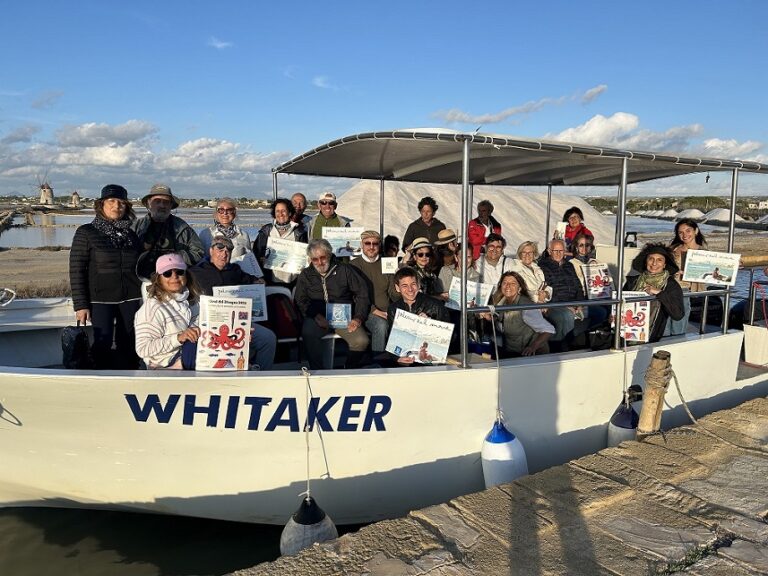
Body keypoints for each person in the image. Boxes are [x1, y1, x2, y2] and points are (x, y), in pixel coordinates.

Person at [69, 184, 142, 369]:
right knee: (102, 342)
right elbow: (76, 269)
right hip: (100, 299)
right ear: (101, 205)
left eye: (121, 202)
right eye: (111, 201)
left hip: (131, 298)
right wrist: (81, 304)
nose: (116, 206)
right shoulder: (86, 232)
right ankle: (99, 380)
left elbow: (141, 266)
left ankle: (129, 378)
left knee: (130, 343)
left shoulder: (131, 235)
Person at [188, 236, 277, 370]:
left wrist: (258, 282)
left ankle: (260, 374)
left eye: (229, 250)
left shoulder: (235, 270)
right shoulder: (195, 272)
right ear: (211, 251)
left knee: (268, 338)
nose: (224, 253)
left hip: (236, 322)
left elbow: (252, 281)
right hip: (208, 324)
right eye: (220, 249)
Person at [294, 239, 370, 369]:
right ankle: (318, 372)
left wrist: (358, 317)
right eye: (315, 259)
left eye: (322, 258)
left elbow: (362, 293)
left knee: (361, 341)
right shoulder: (306, 275)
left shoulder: (345, 270)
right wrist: (316, 316)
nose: (319, 262)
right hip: (318, 317)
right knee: (308, 333)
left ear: (329, 254)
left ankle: (349, 368)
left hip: (343, 317)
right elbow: (300, 299)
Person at [134, 253, 201, 370]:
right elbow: (143, 348)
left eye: (179, 272)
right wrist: (179, 338)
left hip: (196, 357)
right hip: (166, 365)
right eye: (167, 273)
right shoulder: (152, 308)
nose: (174, 276)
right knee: (192, 346)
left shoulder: (197, 301)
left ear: (186, 275)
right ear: (158, 279)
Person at [133, 183, 204, 278]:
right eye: (157, 201)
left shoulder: (183, 227)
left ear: (171, 205)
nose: (162, 205)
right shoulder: (136, 227)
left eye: (166, 202)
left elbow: (198, 252)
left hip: (174, 280)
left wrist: (174, 258)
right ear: (149, 203)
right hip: (142, 279)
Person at [387, 267, 451, 365]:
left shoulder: (435, 305)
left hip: (432, 361)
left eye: (413, 284)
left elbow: (451, 337)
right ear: (397, 288)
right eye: (404, 285)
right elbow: (392, 340)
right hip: (406, 360)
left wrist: (431, 324)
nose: (410, 289)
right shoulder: (393, 309)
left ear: (418, 285)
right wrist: (397, 358)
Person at [623, 243, 685, 343]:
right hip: (624, 334)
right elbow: (620, 303)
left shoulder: (671, 285)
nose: (654, 263)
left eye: (659, 260)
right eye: (651, 259)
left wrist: (660, 293)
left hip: (651, 338)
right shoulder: (632, 281)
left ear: (665, 264)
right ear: (645, 261)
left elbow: (678, 314)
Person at [485, 271, 555, 357]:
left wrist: (532, 348)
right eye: (505, 283)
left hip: (531, 356)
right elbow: (501, 321)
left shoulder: (526, 307)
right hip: (511, 351)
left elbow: (549, 330)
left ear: (520, 288)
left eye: (513, 283)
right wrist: (488, 317)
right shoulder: (501, 301)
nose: (508, 286)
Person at [350, 230, 397, 352]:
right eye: (367, 243)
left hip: (388, 310)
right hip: (365, 312)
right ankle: (377, 360)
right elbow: (353, 295)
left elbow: (393, 293)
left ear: (379, 245)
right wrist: (374, 310)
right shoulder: (353, 265)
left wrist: (399, 287)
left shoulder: (387, 263)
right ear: (362, 245)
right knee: (381, 325)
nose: (371, 247)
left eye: (375, 244)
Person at [538, 238, 586, 348]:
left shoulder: (569, 265)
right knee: (567, 315)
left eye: (561, 251)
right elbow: (549, 289)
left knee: (599, 311)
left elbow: (578, 286)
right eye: (556, 251)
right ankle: (562, 346)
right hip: (555, 304)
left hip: (572, 302)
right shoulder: (544, 266)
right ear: (550, 252)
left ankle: (587, 338)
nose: (559, 254)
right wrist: (565, 305)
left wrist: (579, 303)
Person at [253, 198, 308, 288]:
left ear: (290, 213)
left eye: (283, 211)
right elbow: (256, 255)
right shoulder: (265, 232)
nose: (280, 214)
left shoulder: (299, 233)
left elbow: (305, 257)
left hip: (293, 283)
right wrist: (261, 259)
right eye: (277, 211)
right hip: (269, 281)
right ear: (274, 214)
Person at [666, 218, 708, 336]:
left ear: (696, 231)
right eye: (680, 232)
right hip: (666, 289)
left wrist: (735, 265)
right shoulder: (672, 249)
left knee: (679, 323)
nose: (684, 235)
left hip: (683, 291)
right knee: (664, 324)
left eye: (688, 231)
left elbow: (714, 270)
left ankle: (677, 345)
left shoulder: (703, 252)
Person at [568, 232, 609, 330]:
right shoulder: (571, 264)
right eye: (581, 245)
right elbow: (573, 285)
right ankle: (587, 331)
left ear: (591, 247)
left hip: (598, 296)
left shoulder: (597, 262)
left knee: (612, 307)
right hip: (583, 298)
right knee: (600, 312)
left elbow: (607, 281)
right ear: (576, 247)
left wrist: (598, 269)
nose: (584, 248)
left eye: (587, 245)